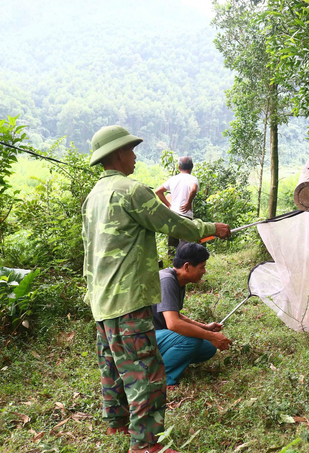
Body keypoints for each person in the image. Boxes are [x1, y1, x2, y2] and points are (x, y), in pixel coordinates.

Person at [82, 125, 231, 453]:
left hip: (101, 301)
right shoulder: (132, 191)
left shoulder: (93, 197)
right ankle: (147, 445)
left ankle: (117, 425)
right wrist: (210, 229)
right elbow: (173, 223)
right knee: (146, 372)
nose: (135, 156)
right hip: (129, 300)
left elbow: (88, 249)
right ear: (119, 153)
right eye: (131, 150)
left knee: (112, 367)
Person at [152, 242, 232, 389]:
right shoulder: (167, 281)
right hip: (140, 337)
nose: (204, 271)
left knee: (208, 348)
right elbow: (173, 323)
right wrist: (213, 336)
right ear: (187, 266)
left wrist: (205, 328)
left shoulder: (177, 280)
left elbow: (176, 315)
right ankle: (163, 378)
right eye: (202, 267)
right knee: (192, 341)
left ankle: (162, 362)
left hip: (158, 335)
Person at [155, 156, 199, 252]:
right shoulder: (192, 179)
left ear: (179, 167)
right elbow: (193, 190)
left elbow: (158, 191)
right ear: (192, 166)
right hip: (185, 215)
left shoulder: (173, 179)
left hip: (173, 215)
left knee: (173, 247)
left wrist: (169, 205)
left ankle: (172, 265)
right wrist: (188, 203)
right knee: (186, 247)